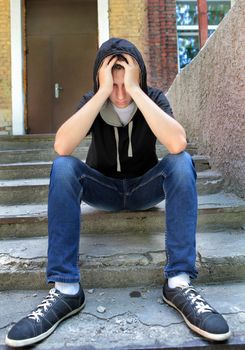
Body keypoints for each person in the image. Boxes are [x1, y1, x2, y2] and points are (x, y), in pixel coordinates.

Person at [5, 38, 231, 347]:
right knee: (63, 166)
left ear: (139, 74)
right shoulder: (93, 100)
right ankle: (66, 289)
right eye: (113, 78)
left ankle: (178, 282)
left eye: (127, 78)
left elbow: (177, 144)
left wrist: (137, 90)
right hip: (104, 189)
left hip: (144, 189)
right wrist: (102, 92)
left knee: (181, 163)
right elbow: (61, 146)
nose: (120, 90)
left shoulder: (152, 98)